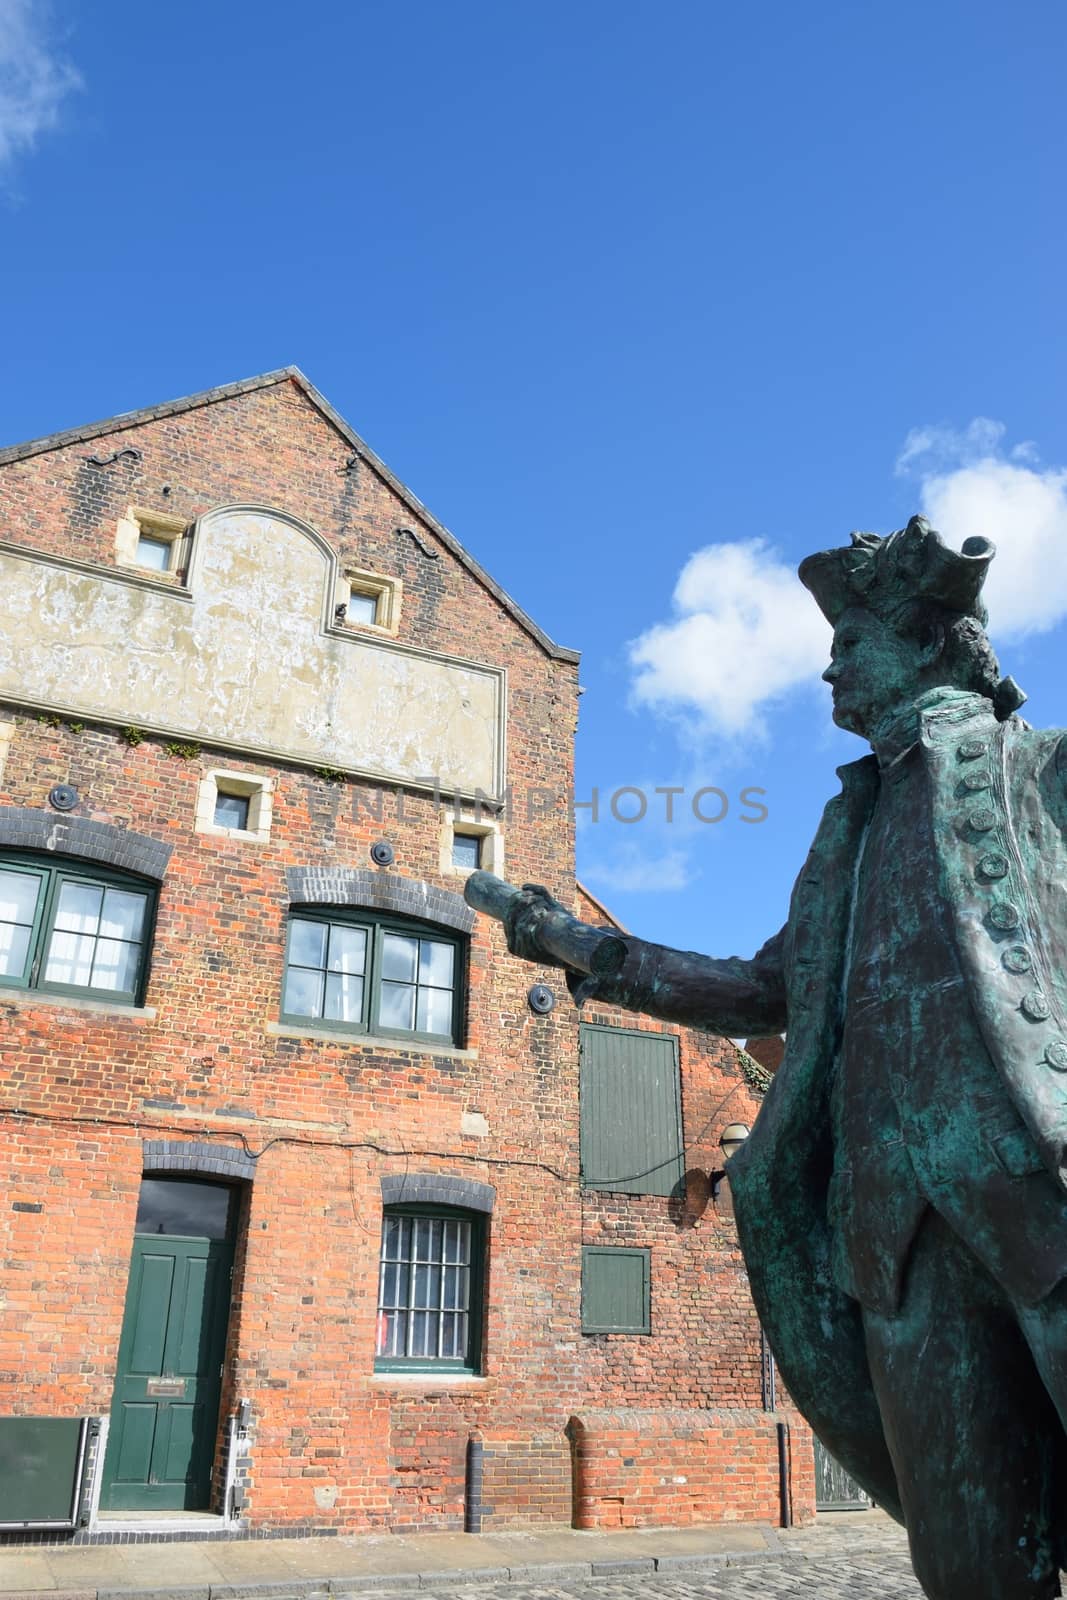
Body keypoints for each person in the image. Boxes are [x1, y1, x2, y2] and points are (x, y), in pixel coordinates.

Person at [499, 516, 1067, 1600]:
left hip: (1040, 1192)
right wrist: (585, 950)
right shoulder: (842, 832)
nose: (828, 664)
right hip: (895, 1238)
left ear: (934, 645)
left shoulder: (1038, 772)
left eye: (852, 640)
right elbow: (763, 992)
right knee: (968, 1565)